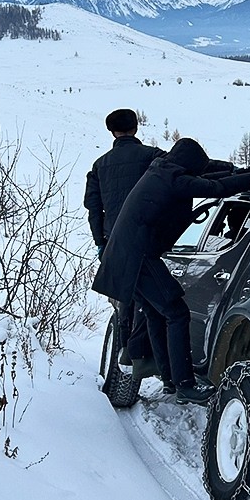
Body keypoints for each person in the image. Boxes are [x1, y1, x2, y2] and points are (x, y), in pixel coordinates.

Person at [92, 137, 250, 404]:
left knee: (155, 313)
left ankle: (170, 379)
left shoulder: (162, 170)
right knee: (176, 312)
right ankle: (184, 383)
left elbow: (210, 175)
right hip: (138, 258)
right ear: (189, 165)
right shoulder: (175, 180)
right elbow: (215, 187)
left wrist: (246, 172)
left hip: (127, 257)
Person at [83, 108, 164, 372]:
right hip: (150, 238)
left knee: (125, 298)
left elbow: (94, 209)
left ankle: (127, 351)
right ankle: (141, 355)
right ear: (136, 127)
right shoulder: (152, 157)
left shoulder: (99, 166)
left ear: (111, 131)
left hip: (114, 244)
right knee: (150, 300)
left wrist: (101, 243)